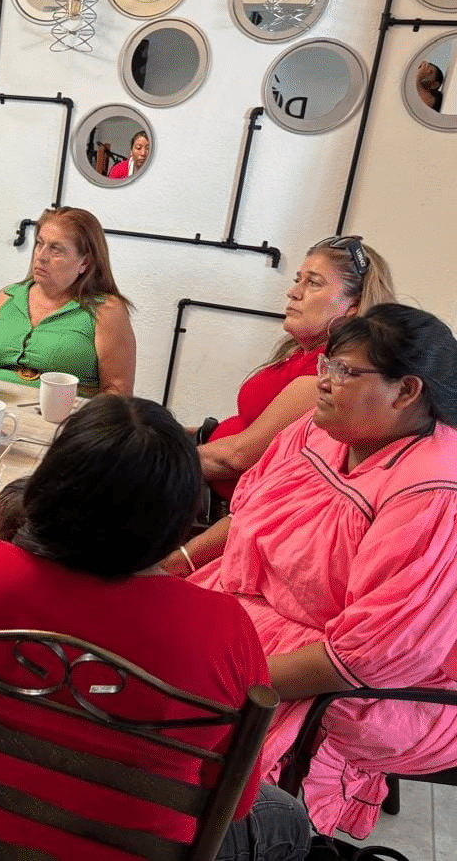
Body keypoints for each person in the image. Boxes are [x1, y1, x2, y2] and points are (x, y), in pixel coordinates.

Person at [0, 394, 311, 860]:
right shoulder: (224, 631)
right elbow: (235, 802)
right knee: (289, 820)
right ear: (180, 517)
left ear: (48, 485)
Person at [170, 303, 457, 840]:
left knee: (178, 741)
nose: (322, 381)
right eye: (328, 364)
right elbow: (252, 515)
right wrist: (179, 562)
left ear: (407, 391)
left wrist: (222, 677)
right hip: (254, 619)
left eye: (345, 371)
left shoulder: (433, 493)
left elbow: (364, 658)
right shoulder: (324, 429)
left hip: (349, 676)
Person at [199, 235, 394, 500]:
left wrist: (158, 458)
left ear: (353, 305)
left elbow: (239, 457)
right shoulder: (298, 353)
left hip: (235, 509)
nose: (293, 292)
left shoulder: (329, 373)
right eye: (297, 280)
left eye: (313, 282)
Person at [0, 205, 136, 396]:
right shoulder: (8, 296)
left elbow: (117, 390)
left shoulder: (106, 310)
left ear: (85, 262)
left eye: (56, 250)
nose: (41, 257)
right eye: (39, 244)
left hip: (63, 417)